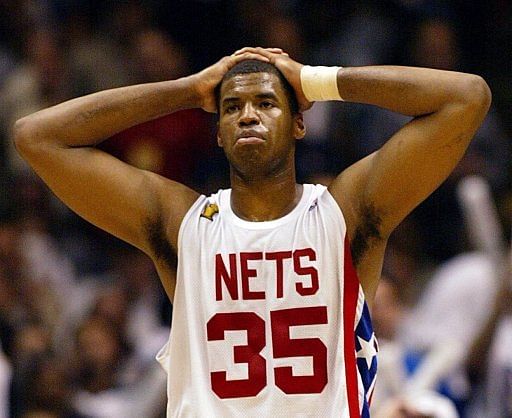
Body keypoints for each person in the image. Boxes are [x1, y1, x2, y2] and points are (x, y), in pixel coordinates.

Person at [13, 46, 490, 417]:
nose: (247, 114)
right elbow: (36, 136)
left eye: (267, 102)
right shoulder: (184, 226)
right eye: (231, 106)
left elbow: (466, 96)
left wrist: (314, 80)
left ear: (299, 121)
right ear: (217, 132)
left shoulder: (344, 215)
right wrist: (189, 89)